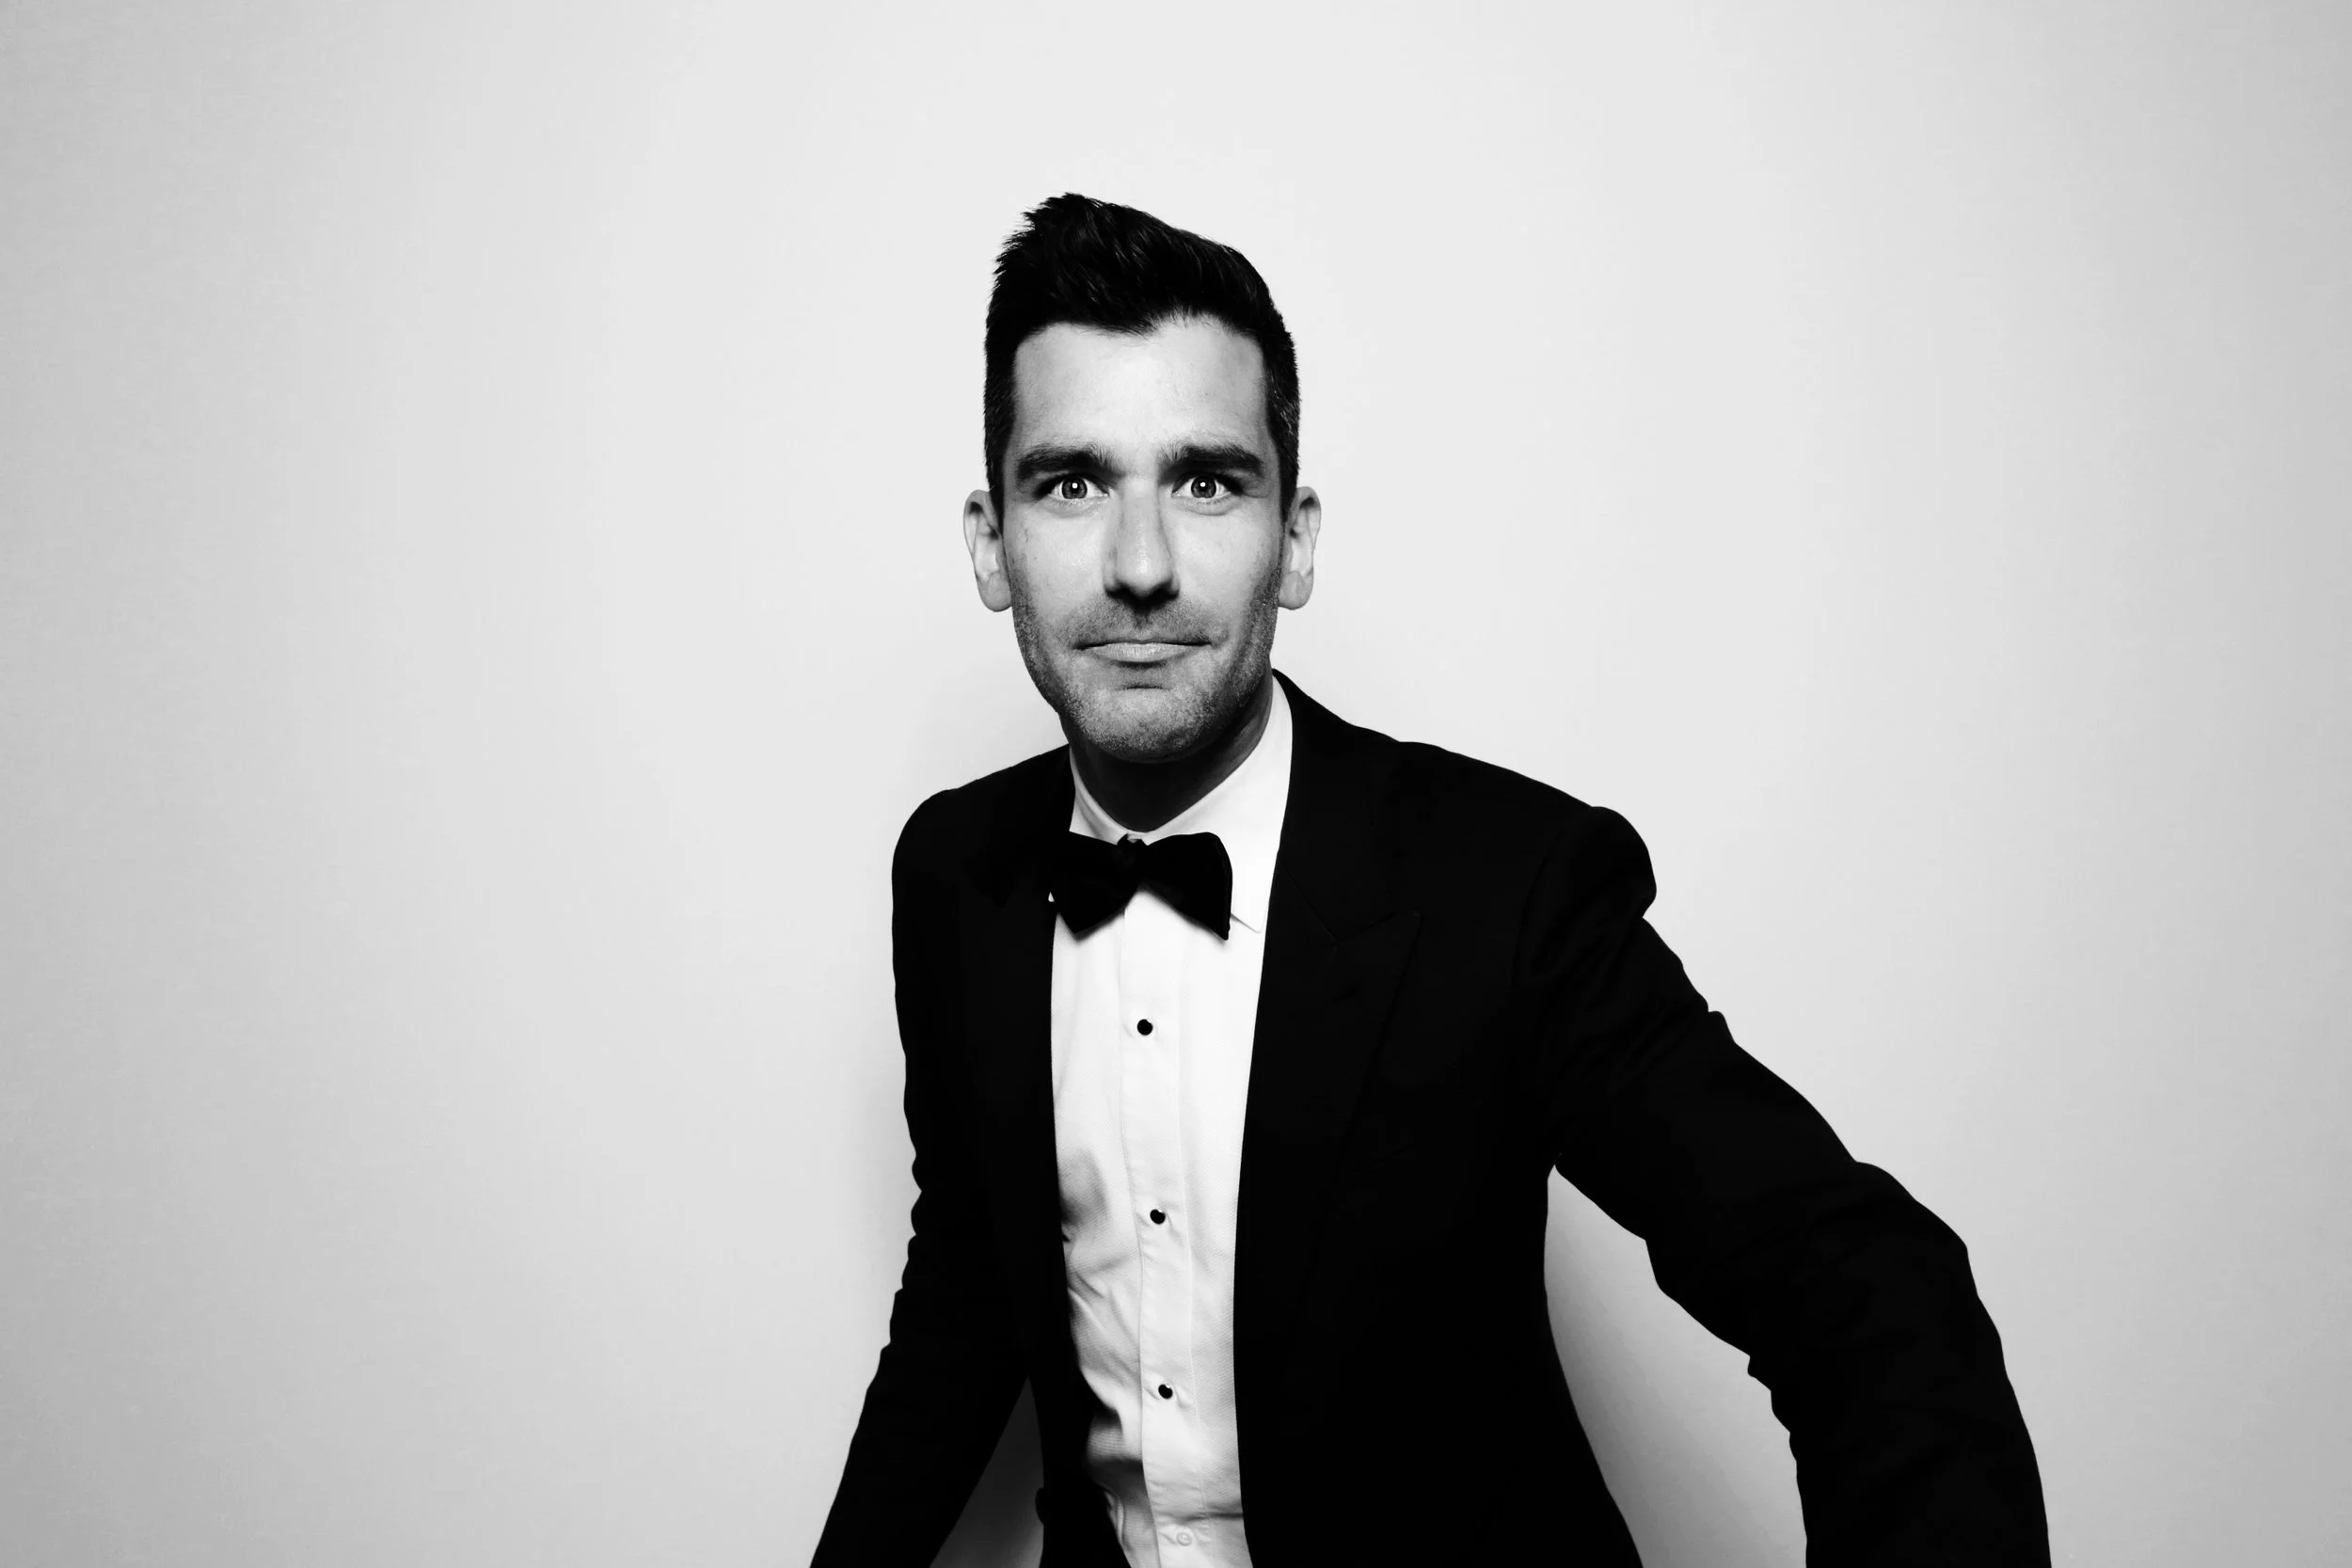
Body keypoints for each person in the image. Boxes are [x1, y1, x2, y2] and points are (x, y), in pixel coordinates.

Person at [813, 193, 2046, 1568]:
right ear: (992, 540)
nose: (1142, 564)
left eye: (1208, 481)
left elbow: (1863, 1288)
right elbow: (973, 1287)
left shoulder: (1508, 886)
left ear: (1300, 537)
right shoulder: (954, 872)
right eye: (1075, 482)